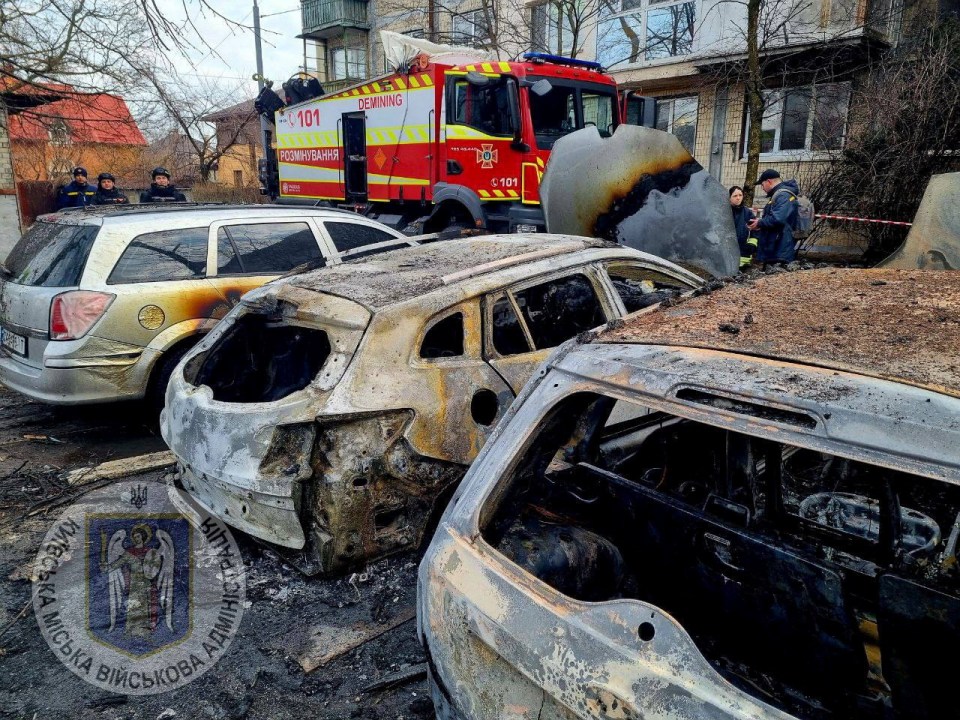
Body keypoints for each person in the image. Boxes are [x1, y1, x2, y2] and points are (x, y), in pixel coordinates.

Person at [747, 169, 800, 266]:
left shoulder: (783, 195)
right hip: (776, 246)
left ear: (769, 181)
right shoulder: (779, 195)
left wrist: (759, 223)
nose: (762, 188)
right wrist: (761, 223)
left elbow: (778, 218)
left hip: (780, 249)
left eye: (762, 185)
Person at [729, 186, 757, 268]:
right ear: (729, 197)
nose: (738, 198)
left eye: (740, 195)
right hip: (727, 252)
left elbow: (755, 230)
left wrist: (752, 244)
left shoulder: (747, 213)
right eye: (735, 196)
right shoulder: (724, 212)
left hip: (744, 254)